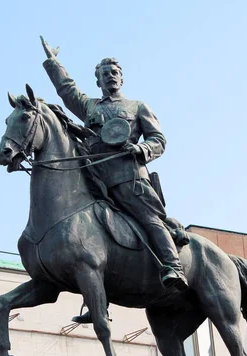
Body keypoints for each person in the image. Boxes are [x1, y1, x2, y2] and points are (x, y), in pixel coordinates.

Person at [40, 37, 189, 305]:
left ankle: (172, 265)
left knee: (148, 219)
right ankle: (95, 297)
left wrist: (141, 150)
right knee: (85, 237)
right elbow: (66, 89)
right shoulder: (90, 107)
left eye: (115, 73)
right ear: (97, 81)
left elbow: (159, 140)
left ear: (122, 78)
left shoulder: (137, 107)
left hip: (128, 179)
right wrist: (53, 62)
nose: (110, 77)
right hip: (94, 180)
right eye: (104, 74)